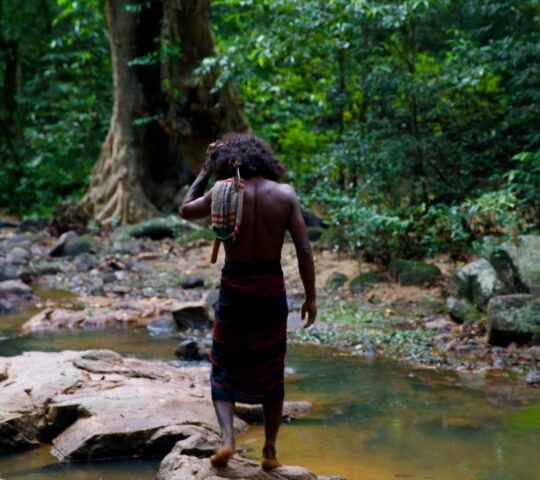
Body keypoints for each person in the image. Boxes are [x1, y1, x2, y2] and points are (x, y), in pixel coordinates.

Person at [179, 133, 317, 470]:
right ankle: (269, 452)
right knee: (272, 369)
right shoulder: (284, 195)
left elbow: (185, 210)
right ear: (264, 159)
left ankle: (227, 440)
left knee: (223, 366)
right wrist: (310, 297)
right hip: (271, 290)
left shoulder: (222, 190)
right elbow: (303, 249)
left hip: (235, 288)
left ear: (227, 162)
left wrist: (204, 171)